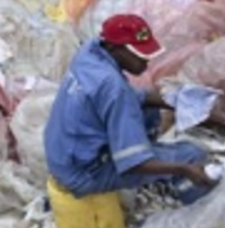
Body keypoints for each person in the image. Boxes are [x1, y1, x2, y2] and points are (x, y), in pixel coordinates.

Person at [44, 14, 215, 205]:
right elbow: (135, 165)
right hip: (83, 174)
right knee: (191, 154)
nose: (146, 63)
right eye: (140, 55)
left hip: (63, 157)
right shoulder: (115, 89)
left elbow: (130, 96)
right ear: (113, 48)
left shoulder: (89, 52)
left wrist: (177, 100)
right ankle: (196, 203)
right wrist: (183, 169)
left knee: (149, 109)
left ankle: (144, 152)